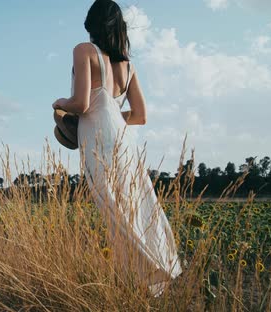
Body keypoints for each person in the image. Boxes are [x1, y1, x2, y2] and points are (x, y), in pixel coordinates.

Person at [51, 0, 182, 297]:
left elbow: (81, 104)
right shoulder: (128, 66)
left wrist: (60, 103)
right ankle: (150, 272)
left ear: (93, 26)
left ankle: (144, 272)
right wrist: (109, 112)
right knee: (134, 206)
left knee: (113, 210)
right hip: (122, 139)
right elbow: (139, 116)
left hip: (97, 137)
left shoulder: (84, 51)